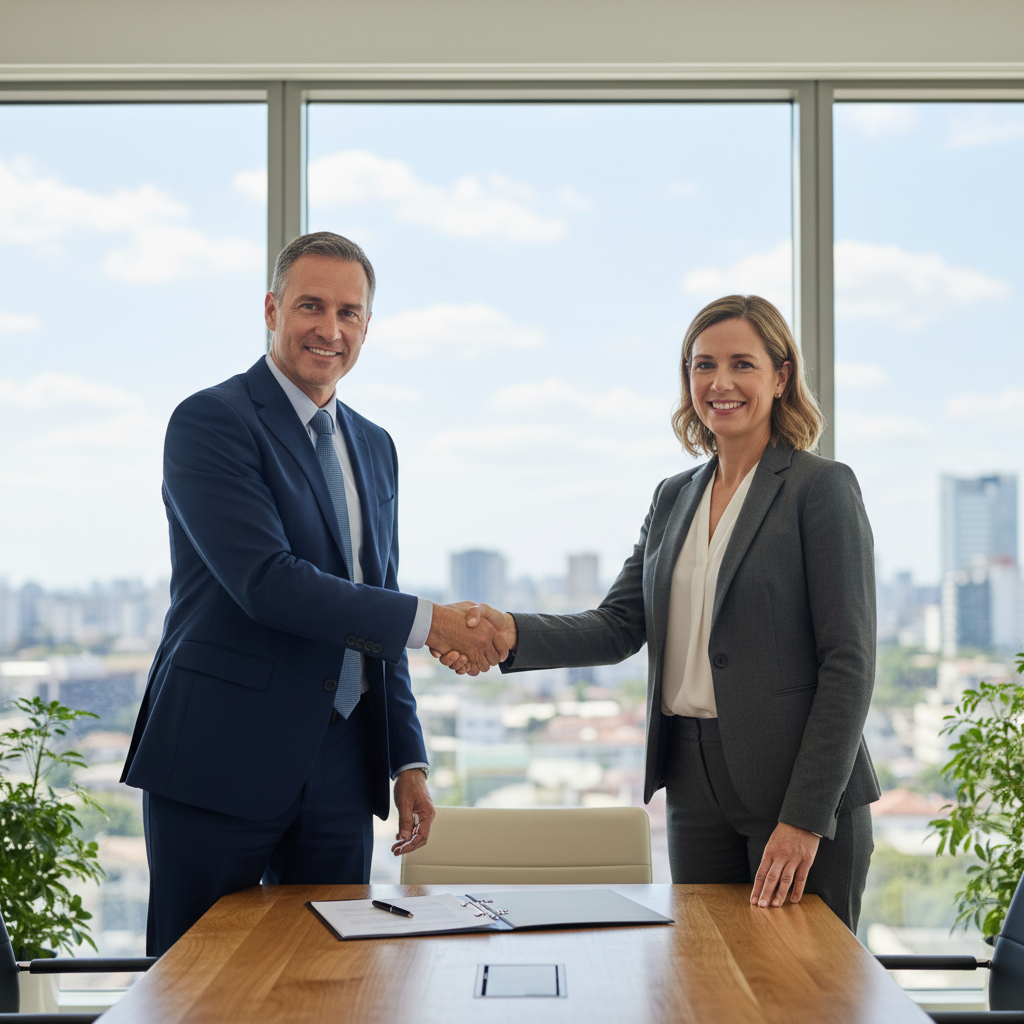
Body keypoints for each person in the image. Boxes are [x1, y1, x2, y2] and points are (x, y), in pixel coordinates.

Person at [121, 231, 509, 955]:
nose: (330, 330)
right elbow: (268, 584)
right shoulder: (211, 422)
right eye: (310, 306)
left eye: (349, 313)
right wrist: (435, 623)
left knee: (333, 981)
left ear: (366, 326)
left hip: (339, 766)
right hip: (218, 758)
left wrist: (406, 759)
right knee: (194, 984)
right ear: (271, 310)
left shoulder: (375, 443)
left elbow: (373, 600)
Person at [440, 294, 879, 931]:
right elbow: (619, 624)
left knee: (801, 988)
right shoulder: (675, 496)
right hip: (692, 781)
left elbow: (850, 665)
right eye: (703, 366)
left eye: (742, 365)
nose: (720, 383)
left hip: (795, 786)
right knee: (706, 977)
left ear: (781, 377)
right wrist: (508, 633)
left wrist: (806, 817)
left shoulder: (821, 488)